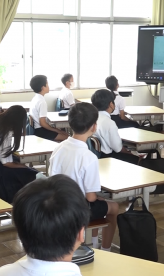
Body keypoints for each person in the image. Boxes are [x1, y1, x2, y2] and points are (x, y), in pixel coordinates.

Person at [49, 103, 119, 251]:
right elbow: (91, 198)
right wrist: (98, 197)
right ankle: (105, 249)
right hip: (76, 208)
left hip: (57, 203)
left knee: (99, 203)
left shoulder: (58, 148)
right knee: (114, 207)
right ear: (94, 126)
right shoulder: (89, 157)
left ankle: (93, 242)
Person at [0, 105, 38, 203]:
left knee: (26, 168)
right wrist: (24, 166)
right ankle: (24, 205)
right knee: (35, 175)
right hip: (1, 172)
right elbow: (6, 163)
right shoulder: (5, 133)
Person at [91, 89, 139, 164]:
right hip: (109, 158)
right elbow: (118, 149)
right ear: (111, 104)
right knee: (138, 159)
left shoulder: (91, 119)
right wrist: (131, 153)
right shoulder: (109, 123)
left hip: (97, 157)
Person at [29, 75, 68, 141]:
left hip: (36, 130)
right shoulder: (42, 102)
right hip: (41, 131)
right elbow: (42, 123)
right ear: (43, 87)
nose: (48, 86)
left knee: (64, 134)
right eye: (47, 84)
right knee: (68, 137)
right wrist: (56, 130)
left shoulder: (35, 98)